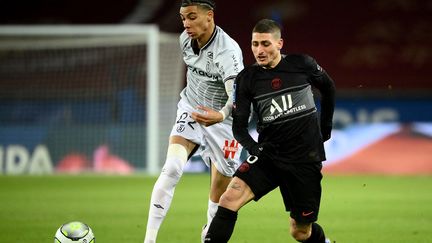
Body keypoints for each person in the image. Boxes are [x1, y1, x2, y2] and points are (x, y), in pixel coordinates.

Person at [204, 19, 336, 243]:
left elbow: (328, 88)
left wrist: (325, 129)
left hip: (304, 158)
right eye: (255, 44)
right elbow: (239, 127)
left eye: (265, 44)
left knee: (300, 231)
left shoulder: (302, 64)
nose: (259, 50)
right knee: (229, 198)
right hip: (269, 155)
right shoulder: (247, 79)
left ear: (280, 43)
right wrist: (255, 149)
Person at [143, 1, 244, 242]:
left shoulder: (228, 51)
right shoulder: (184, 40)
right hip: (191, 108)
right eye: (183, 18)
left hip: (224, 122)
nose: (186, 24)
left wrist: (219, 115)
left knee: (219, 194)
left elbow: (237, 97)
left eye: (192, 17)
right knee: (172, 168)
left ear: (209, 16)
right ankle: (149, 239)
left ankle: (208, 233)